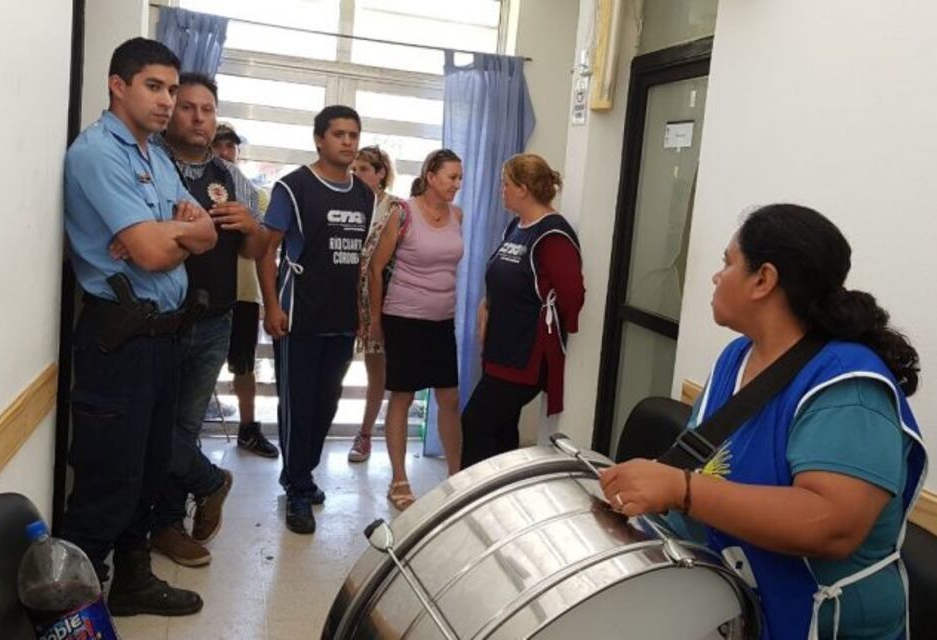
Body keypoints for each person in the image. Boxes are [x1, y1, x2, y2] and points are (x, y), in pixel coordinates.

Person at [598, 204, 927, 640]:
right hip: (735, 601)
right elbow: (707, 464)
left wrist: (682, 489)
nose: (717, 277)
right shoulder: (736, 358)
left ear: (763, 280)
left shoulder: (848, 389)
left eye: (727, 262)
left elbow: (834, 524)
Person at [61, 38, 217, 616]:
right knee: (108, 483)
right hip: (119, 338)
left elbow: (204, 235)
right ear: (117, 85)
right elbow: (152, 254)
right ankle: (72, 615)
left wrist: (168, 234)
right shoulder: (98, 153)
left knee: (149, 477)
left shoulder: (154, 155)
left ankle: (132, 583)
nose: (168, 101)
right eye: (155, 87)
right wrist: (168, 235)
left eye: (173, 90)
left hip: (164, 336)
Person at [148, 75, 269, 567]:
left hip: (215, 320)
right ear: (171, 111)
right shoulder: (151, 161)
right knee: (155, 426)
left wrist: (252, 228)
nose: (199, 118)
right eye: (188, 108)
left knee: (184, 425)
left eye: (208, 109)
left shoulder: (231, 176)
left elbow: (257, 251)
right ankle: (208, 482)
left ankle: (169, 524)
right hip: (159, 319)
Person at [257, 105, 374, 534]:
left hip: (341, 320)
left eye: (353, 135)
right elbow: (266, 249)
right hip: (299, 318)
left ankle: (302, 471)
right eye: (339, 134)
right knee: (299, 407)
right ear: (319, 140)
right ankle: (298, 487)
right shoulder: (294, 187)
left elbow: (363, 263)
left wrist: (363, 314)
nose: (347, 142)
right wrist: (272, 306)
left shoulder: (365, 194)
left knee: (326, 405)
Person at [460, 154, 585, 469]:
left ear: (524, 189)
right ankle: (500, 504)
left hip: (525, 354)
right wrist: (487, 304)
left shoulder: (553, 234)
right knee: (501, 430)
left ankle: (471, 500)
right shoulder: (517, 226)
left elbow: (572, 296)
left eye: (506, 184)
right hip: (501, 347)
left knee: (475, 422)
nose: (501, 189)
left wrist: (549, 330)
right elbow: (502, 275)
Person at [367, 149, 465, 509]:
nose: (457, 184)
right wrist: (376, 321)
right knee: (403, 397)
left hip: (443, 319)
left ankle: (457, 475)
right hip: (404, 318)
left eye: (459, 178)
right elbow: (376, 268)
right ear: (431, 175)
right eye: (451, 177)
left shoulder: (457, 214)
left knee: (450, 399)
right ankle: (399, 479)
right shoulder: (402, 212)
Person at [212, 121, 280, 459]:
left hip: (244, 291)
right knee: (201, 362)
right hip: (206, 292)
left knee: (244, 364)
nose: (225, 153)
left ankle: (248, 429)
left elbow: (265, 245)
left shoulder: (256, 194)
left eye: (230, 147)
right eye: (218, 146)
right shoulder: (195, 188)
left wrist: (271, 299)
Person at [347, 145, 404, 463]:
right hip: (349, 299)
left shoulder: (395, 208)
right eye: (354, 170)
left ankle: (366, 434)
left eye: (364, 169)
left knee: (380, 375)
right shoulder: (349, 204)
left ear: (381, 173)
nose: (357, 175)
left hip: (386, 300)